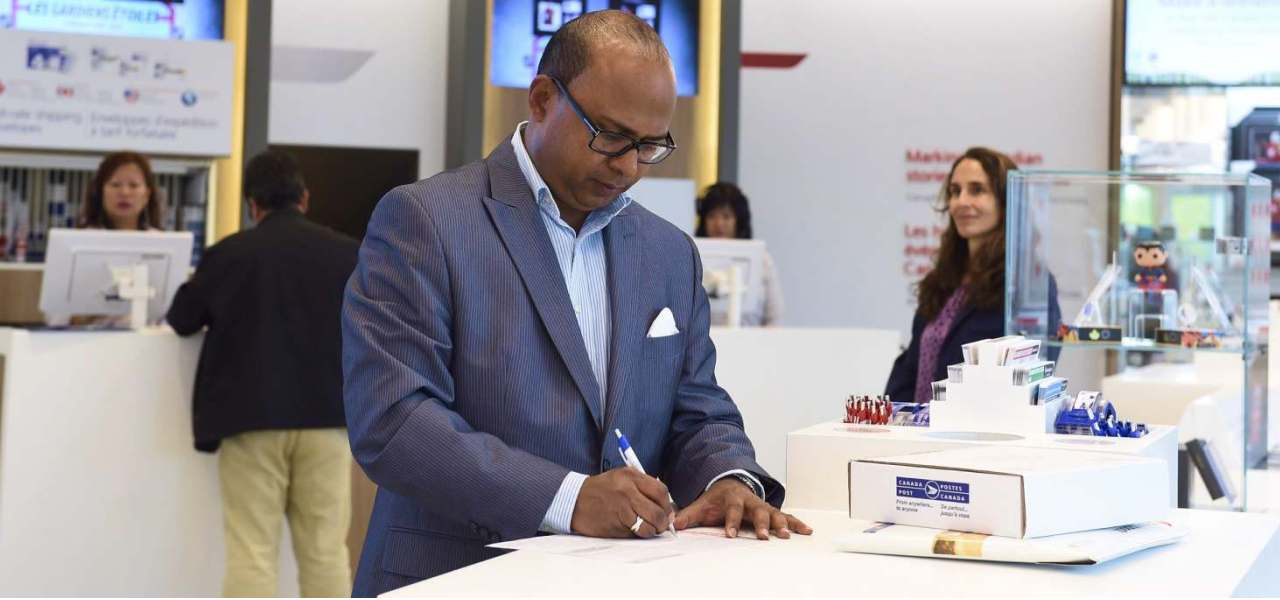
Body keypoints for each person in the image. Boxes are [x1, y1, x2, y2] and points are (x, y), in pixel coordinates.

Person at [342, 10, 810, 595]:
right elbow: (395, 422)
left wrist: (728, 477)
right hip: (456, 576)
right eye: (610, 136)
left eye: (650, 145)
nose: (628, 166)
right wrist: (568, 497)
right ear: (541, 99)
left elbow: (698, 410)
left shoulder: (668, 253)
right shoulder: (426, 221)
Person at [166, 151, 359, 597]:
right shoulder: (348, 254)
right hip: (328, 419)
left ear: (252, 204)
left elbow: (182, 319)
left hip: (250, 419)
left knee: (252, 552)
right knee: (326, 553)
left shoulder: (228, 254)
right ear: (304, 198)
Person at [885, 147, 1061, 403]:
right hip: (919, 432)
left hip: (979, 434)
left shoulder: (1028, 284)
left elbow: (1032, 377)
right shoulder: (943, 280)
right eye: (955, 192)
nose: (961, 202)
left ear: (1006, 201)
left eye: (977, 190)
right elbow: (912, 363)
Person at [695, 182, 785, 326]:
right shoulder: (691, 256)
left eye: (726, 216)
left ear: (739, 221)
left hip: (751, 342)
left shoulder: (762, 261)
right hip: (702, 343)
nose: (719, 224)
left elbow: (774, 317)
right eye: (712, 216)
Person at [80, 151, 163, 231]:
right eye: (115, 185)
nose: (124, 193)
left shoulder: (161, 241)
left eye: (134, 185)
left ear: (147, 195)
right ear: (100, 192)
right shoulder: (81, 239)